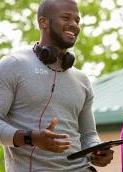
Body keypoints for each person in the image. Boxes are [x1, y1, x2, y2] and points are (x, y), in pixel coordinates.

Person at [0, 0, 114, 171]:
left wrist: (96, 150)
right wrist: (32, 138)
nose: (74, 25)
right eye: (66, 18)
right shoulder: (13, 65)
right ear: (43, 22)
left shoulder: (81, 79)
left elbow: (88, 135)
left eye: (77, 20)